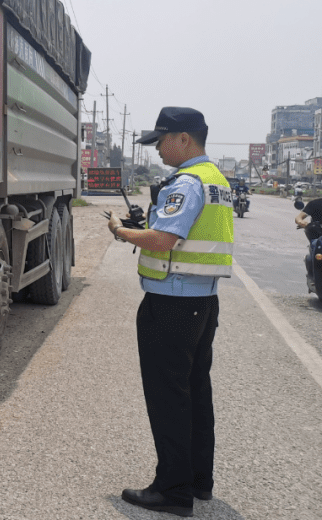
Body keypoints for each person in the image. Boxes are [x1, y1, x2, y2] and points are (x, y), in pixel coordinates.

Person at [107, 107, 234, 517]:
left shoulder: (188, 182)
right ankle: (199, 481)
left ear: (183, 139)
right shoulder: (216, 180)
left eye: (162, 141)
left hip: (172, 305)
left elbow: (162, 239)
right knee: (196, 391)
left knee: (168, 397)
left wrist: (121, 230)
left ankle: (172, 490)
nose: (158, 149)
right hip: (203, 303)